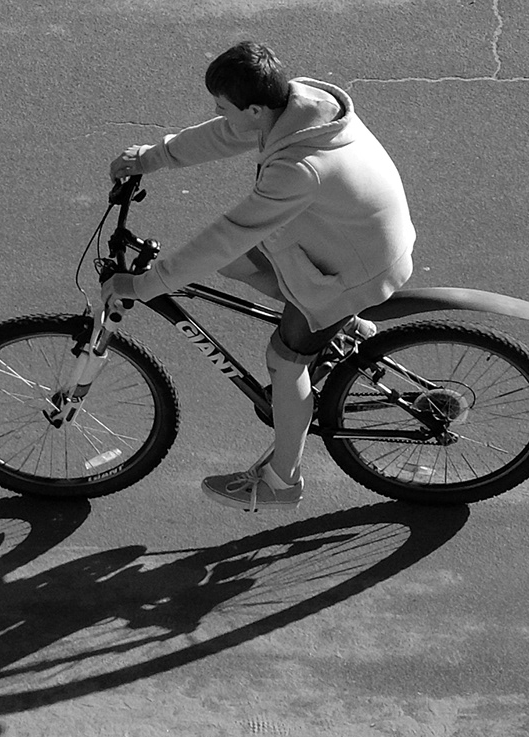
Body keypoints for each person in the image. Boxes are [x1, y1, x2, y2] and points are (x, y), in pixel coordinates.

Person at [102, 41, 415, 511]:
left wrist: (146, 285)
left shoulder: (299, 169)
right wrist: (151, 157)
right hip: (345, 242)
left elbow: (229, 233)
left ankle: (281, 482)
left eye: (222, 105)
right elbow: (229, 134)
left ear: (253, 107)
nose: (217, 111)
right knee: (234, 261)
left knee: (284, 361)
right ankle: (341, 330)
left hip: (353, 269)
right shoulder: (299, 107)